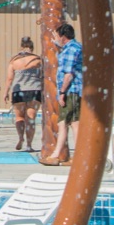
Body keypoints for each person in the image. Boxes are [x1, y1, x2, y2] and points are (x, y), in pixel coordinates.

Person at [45, 24, 82, 165]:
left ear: (63, 37)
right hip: (75, 90)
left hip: (70, 90)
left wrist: (62, 93)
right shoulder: (74, 47)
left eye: (57, 36)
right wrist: (57, 44)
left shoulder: (70, 50)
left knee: (63, 123)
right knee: (74, 123)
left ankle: (55, 155)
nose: (55, 39)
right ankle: (77, 155)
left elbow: (69, 74)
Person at [6, 37, 45, 151]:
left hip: (18, 91)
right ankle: (29, 145)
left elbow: (9, 79)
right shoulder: (37, 60)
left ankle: (20, 137)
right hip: (34, 90)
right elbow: (43, 77)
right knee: (31, 118)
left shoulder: (14, 61)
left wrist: (5, 93)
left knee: (19, 117)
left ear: (21, 47)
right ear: (31, 48)